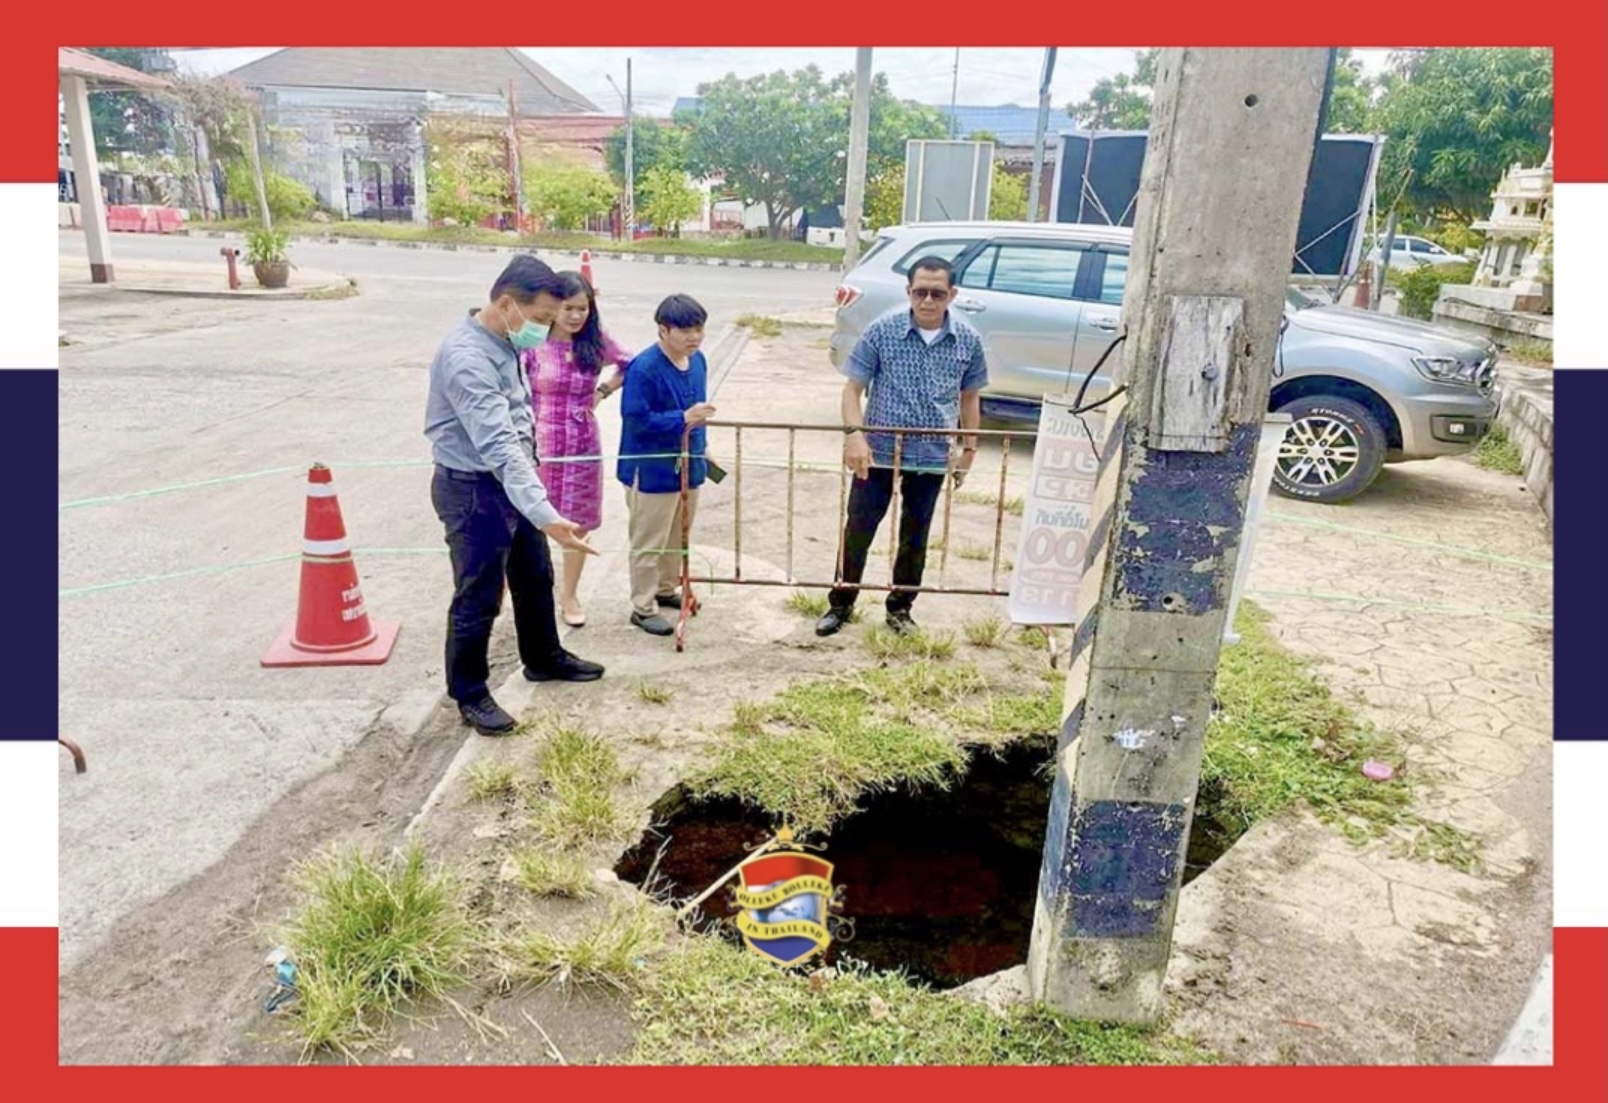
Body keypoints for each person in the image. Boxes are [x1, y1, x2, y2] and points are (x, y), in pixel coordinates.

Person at [424, 255, 606, 737]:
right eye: (542, 319)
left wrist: (536, 504)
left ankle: (543, 656)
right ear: (507, 304)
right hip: (473, 488)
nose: (545, 331)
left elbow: (520, 424)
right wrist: (548, 514)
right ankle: (470, 692)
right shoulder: (467, 359)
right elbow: (499, 445)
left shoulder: (504, 340)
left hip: (515, 479)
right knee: (479, 593)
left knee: (534, 574)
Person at [815, 255, 989, 638]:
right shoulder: (882, 331)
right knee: (859, 527)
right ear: (909, 291)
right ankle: (840, 604)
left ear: (952, 294)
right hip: (877, 451)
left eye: (937, 293)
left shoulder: (969, 341)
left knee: (916, 534)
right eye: (920, 292)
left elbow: (970, 398)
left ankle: (900, 609)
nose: (928, 301)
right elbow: (852, 389)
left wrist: (969, 451)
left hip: (931, 455)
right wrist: (854, 435)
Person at [521, 271, 633, 628]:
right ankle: (520, 594)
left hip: (583, 442)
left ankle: (569, 595)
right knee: (529, 521)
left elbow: (630, 364)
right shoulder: (531, 339)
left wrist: (602, 392)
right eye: (568, 308)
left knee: (578, 524)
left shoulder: (596, 341)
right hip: (540, 443)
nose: (575, 316)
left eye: (583, 309)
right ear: (553, 307)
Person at [617, 293, 716, 636]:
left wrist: (702, 448)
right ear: (663, 330)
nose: (694, 337)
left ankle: (665, 588)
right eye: (685, 330)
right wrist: (682, 418)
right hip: (652, 470)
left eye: (699, 329)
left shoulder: (698, 360)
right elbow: (636, 418)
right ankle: (642, 607)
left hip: (689, 463)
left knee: (679, 534)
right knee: (649, 538)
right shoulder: (644, 368)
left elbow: (697, 413)